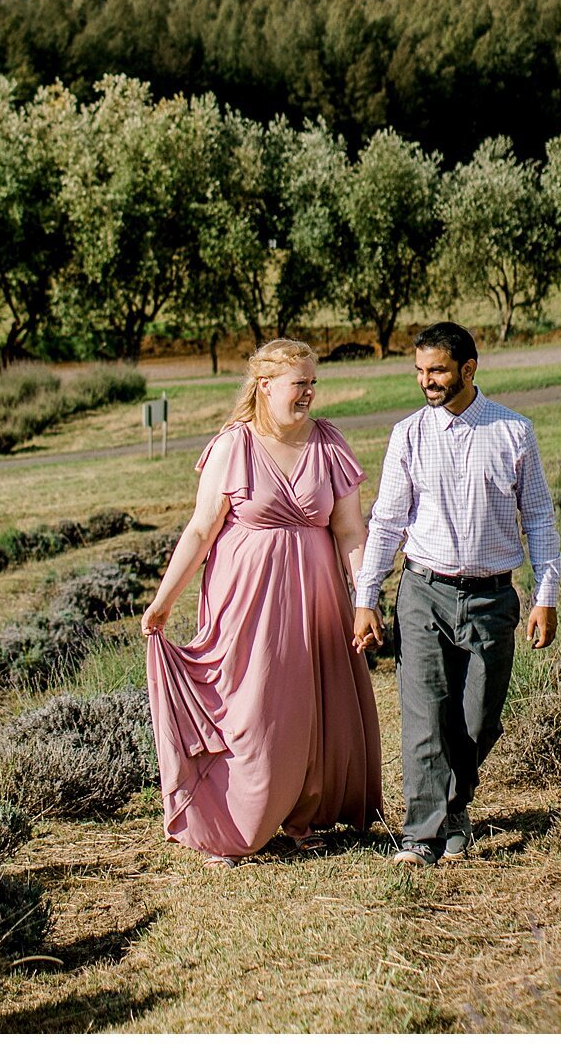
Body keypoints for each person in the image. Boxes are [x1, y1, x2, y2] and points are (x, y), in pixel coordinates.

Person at [142, 337, 383, 866]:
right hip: (245, 600)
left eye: (314, 383)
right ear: (265, 386)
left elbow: (348, 530)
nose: (309, 394)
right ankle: (230, 823)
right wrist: (163, 600)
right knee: (247, 704)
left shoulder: (330, 445)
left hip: (316, 597)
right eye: (300, 384)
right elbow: (202, 528)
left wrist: (366, 595)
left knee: (308, 703)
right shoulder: (234, 446)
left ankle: (306, 816)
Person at [351, 321, 561, 866]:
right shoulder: (407, 435)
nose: (427, 381)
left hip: (493, 599)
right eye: (420, 371)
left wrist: (546, 594)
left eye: (438, 370)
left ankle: (454, 807)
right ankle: (422, 836)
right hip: (423, 593)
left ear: (469, 369)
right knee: (424, 721)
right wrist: (366, 596)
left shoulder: (514, 432)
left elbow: (537, 516)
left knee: (477, 722)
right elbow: (387, 522)